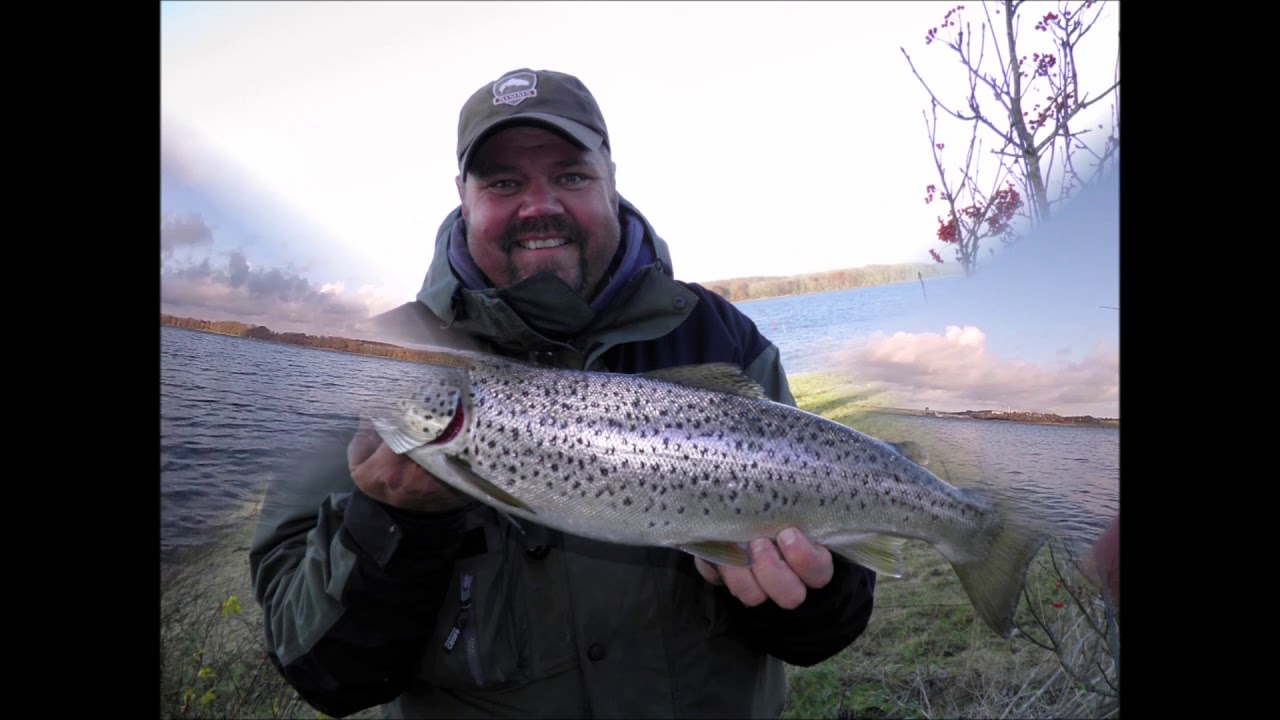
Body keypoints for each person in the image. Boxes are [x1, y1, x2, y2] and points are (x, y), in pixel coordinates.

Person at [249, 67, 876, 719]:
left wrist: (811, 595)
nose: (539, 205)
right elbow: (321, 673)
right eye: (504, 182)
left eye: (570, 176)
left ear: (610, 178)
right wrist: (391, 525)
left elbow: (825, 630)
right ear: (463, 197)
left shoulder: (719, 336)